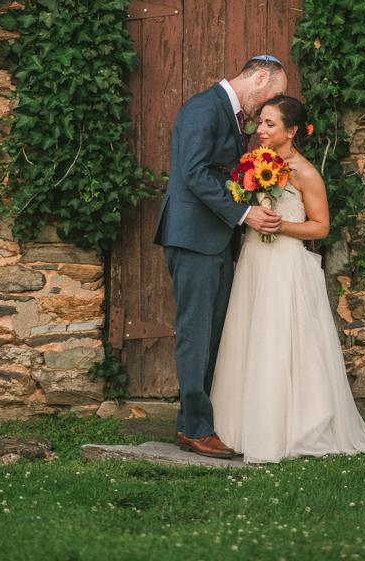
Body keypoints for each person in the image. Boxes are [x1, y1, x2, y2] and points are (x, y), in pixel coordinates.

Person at [211, 94, 365, 463]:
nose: (260, 131)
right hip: (253, 259)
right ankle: (239, 427)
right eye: (260, 123)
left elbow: (321, 226)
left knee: (278, 343)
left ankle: (286, 428)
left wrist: (280, 224)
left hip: (283, 265)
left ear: (292, 131)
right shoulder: (252, 165)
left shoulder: (305, 173)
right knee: (248, 340)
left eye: (270, 124)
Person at [154, 55, 288, 458]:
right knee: (196, 335)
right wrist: (245, 213)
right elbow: (193, 173)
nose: (270, 105)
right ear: (260, 78)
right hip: (194, 238)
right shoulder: (202, 108)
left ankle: (193, 424)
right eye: (274, 94)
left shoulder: (226, 111)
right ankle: (195, 428)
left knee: (211, 335)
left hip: (212, 239)